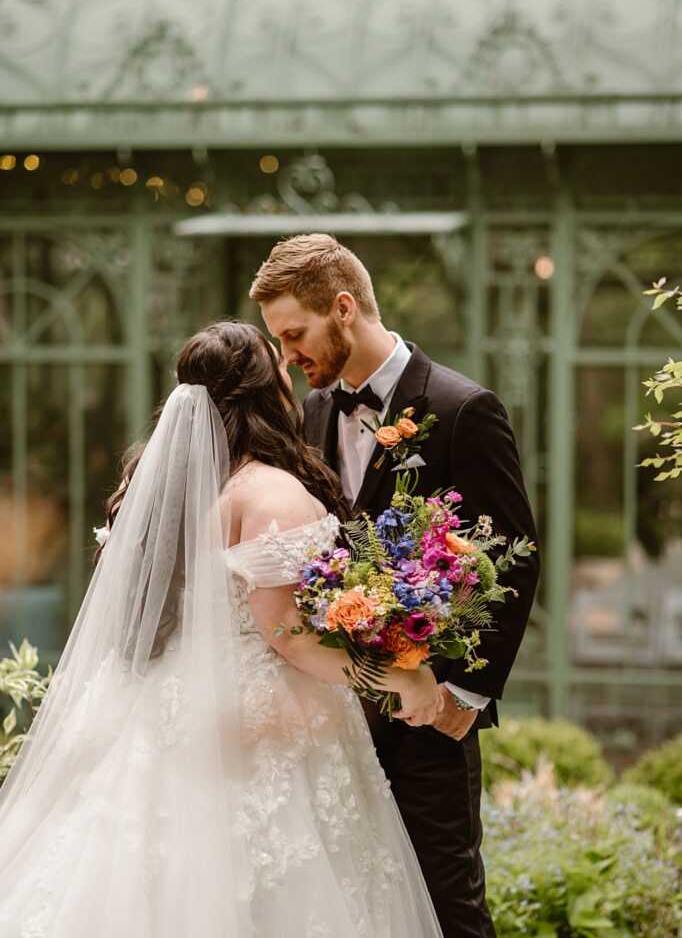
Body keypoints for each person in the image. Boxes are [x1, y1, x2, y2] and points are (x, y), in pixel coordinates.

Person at [0, 321, 445, 938]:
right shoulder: (271, 493)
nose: (292, 376)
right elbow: (288, 634)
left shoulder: (158, 487)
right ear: (265, 392)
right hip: (262, 717)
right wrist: (398, 677)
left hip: (165, 699)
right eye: (280, 369)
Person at [250, 235, 541, 938]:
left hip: (428, 719)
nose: (287, 355)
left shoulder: (463, 408)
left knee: (448, 908)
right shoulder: (314, 412)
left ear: (343, 308)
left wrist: (463, 694)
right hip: (337, 722)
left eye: (294, 334)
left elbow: (514, 557)